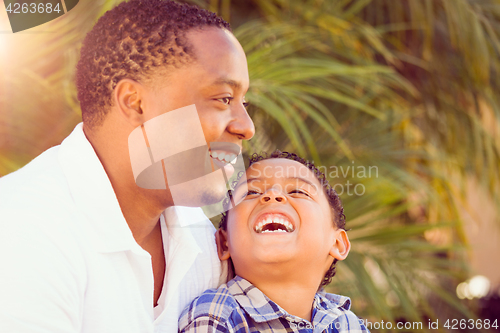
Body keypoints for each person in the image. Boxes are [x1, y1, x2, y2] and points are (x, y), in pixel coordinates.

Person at [0, 0, 254, 332]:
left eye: (243, 102)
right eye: (223, 99)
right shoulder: (23, 232)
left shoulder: (203, 240)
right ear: (135, 102)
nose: (246, 126)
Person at [178, 151, 370, 332]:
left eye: (297, 191)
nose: (272, 195)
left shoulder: (348, 323)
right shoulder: (216, 315)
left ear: (337, 243)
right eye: (251, 192)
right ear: (224, 243)